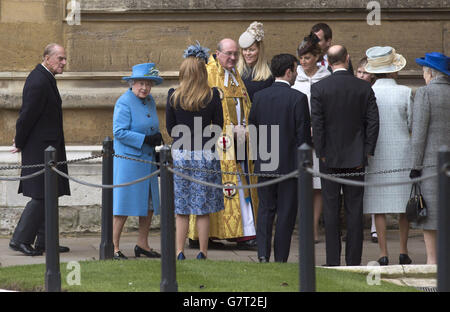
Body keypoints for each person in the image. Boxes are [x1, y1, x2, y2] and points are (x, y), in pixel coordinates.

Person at [310, 45, 379, 266]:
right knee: (354, 210)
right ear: (347, 59)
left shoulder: (319, 88)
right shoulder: (363, 88)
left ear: (328, 62)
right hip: (356, 158)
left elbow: (317, 125)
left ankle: (332, 261)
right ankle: (353, 261)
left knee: (330, 211)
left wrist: (320, 152)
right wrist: (367, 150)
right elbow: (373, 123)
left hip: (328, 158)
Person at [188, 38, 259, 250]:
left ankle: (243, 232)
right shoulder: (209, 73)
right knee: (221, 187)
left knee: (239, 184)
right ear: (217, 53)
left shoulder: (235, 75)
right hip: (217, 141)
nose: (233, 57)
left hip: (239, 141)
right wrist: (227, 131)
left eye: (235, 53)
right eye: (229, 53)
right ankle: (206, 235)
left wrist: (245, 126)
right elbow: (200, 108)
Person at [249, 54, 312, 262]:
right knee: (286, 213)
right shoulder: (298, 98)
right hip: (290, 164)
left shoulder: (259, 97)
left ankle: (263, 254)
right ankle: (281, 257)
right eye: (295, 70)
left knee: (266, 210)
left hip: (266, 160)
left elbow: (253, 129)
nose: (295, 74)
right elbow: (303, 136)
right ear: (288, 71)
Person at [9, 43, 71, 256]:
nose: (64, 63)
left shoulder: (45, 78)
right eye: (60, 58)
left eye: (64, 59)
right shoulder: (38, 80)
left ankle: (46, 241)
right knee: (41, 196)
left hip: (49, 147)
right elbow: (26, 116)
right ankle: (20, 240)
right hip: (40, 148)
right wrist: (19, 140)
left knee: (50, 193)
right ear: (47, 58)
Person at [166, 42, 225, 260]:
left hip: (181, 153)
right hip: (205, 153)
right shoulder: (212, 95)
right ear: (202, 73)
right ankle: (202, 251)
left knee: (181, 207)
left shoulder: (174, 95)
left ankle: (179, 251)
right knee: (202, 207)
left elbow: (171, 128)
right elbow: (218, 125)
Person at [363, 46, 413, 266]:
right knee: (404, 205)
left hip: (376, 153)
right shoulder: (404, 92)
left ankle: (383, 253)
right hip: (402, 153)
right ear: (393, 70)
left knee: (378, 205)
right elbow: (412, 122)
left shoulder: (368, 92)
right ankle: (403, 249)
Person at [112, 63, 163, 260]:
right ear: (132, 83)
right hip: (130, 161)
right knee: (122, 206)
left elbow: (148, 124)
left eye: (148, 84)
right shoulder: (124, 102)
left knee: (149, 206)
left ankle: (142, 244)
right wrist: (144, 140)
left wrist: (156, 137)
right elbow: (119, 132)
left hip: (147, 159)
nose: (144, 87)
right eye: (141, 83)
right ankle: (114, 246)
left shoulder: (149, 100)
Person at [411, 52, 450, 264]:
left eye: (424, 71)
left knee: (430, 216)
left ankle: (432, 262)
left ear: (431, 73)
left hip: (430, 164)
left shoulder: (425, 94)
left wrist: (415, 166)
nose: (423, 75)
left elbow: (418, 135)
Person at [292, 33, 330, 243]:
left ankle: (314, 227)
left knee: (318, 186)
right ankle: (303, 226)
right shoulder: (294, 79)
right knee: (301, 184)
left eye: (307, 57)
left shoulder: (326, 77)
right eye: (301, 58)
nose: (303, 62)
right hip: (299, 138)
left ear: (316, 56)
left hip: (319, 138)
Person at [355, 56, 377, 244]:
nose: (361, 76)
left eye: (365, 73)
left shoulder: (371, 91)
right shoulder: (356, 90)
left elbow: (372, 123)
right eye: (359, 72)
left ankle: (374, 227)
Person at [237, 21, 274, 102]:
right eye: (245, 50)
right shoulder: (236, 72)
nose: (247, 53)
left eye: (252, 50)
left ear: (260, 50)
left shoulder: (270, 73)